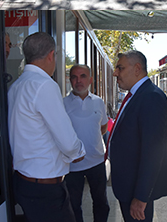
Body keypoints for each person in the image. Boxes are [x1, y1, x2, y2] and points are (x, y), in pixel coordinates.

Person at [8, 32, 86, 222]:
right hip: (45, 189)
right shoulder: (44, 85)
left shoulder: (16, 86)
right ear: (51, 55)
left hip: (24, 182)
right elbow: (67, 142)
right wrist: (78, 152)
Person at [109, 51, 167, 222]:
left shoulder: (151, 97)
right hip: (128, 186)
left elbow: (153, 153)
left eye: (120, 68)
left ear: (137, 68)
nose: (115, 73)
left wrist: (141, 197)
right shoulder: (137, 95)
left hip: (136, 190)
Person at [63, 65, 110, 222]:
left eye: (83, 76)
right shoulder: (62, 104)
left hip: (96, 162)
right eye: (74, 77)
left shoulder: (99, 102)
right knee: (74, 206)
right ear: (69, 80)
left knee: (101, 203)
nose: (78, 81)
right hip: (72, 166)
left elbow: (103, 127)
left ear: (90, 80)